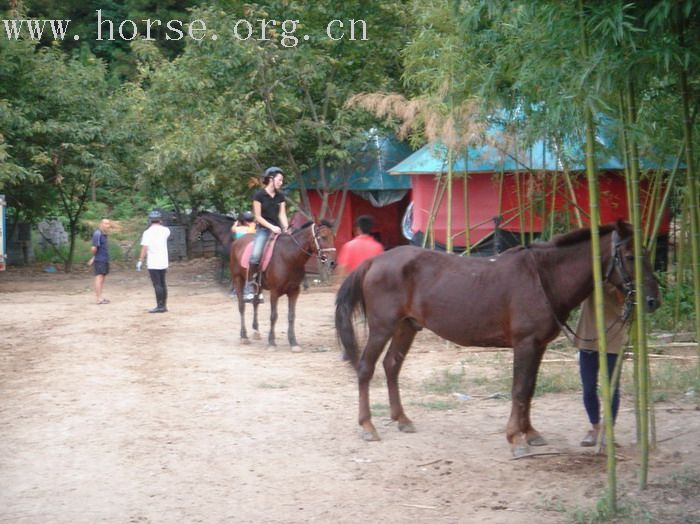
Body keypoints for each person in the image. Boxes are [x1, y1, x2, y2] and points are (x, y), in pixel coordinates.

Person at [576, 283, 628, 447]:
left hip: (613, 337)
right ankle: (595, 427)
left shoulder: (621, 277)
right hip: (588, 337)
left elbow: (624, 299)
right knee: (588, 387)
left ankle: (608, 430)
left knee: (612, 388)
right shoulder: (587, 276)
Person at [243, 166, 289, 302]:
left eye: (282, 180)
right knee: (256, 256)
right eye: (279, 180)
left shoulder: (280, 196)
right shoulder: (259, 195)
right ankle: (249, 287)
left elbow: (282, 214)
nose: (281, 182)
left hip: (278, 229)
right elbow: (257, 217)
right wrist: (272, 227)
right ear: (271, 179)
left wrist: (286, 227)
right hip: (264, 229)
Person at [137, 210, 171, 313]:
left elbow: (145, 248)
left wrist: (140, 260)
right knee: (163, 283)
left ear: (150, 220)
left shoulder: (147, 233)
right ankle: (164, 305)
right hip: (163, 261)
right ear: (160, 220)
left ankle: (159, 306)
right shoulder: (166, 230)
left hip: (153, 261)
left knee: (157, 284)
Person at [90, 218, 111, 304]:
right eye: (105, 223)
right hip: (100, 259)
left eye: (108, 224)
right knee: (99, 278)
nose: (107, 225)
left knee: (102, 278)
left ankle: (101, 297)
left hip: (104, 259)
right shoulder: (97, 234)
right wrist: (94, 257)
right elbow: (94, 248)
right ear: (101, 224)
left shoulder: (104, 234)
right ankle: (98, 299)